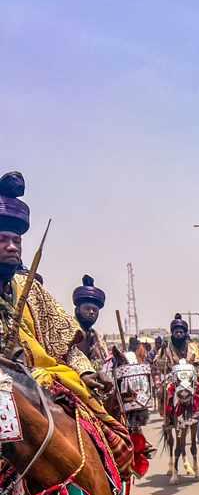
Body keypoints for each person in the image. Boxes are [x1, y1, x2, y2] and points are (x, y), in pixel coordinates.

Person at [0, 171, 134, 477]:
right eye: (3, 240)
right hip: (4, 394)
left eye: (16, 240)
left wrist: (86, 370)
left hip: (48, 382)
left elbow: (64, 346)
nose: (12, 247)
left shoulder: (31, 289)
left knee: (105, 434)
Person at [72, 274, 109, 368]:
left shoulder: (97, 338)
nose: (92, 312)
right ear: (77, 310)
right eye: (87, 309)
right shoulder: (68, 331)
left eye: (95, 310)